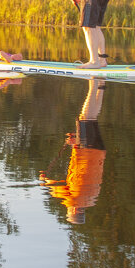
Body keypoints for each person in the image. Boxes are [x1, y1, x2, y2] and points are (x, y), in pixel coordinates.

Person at [40, 78, 106, 224]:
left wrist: (76, 144)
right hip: (87, 152)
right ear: (75, 211)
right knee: (85, 117)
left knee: (92, 118)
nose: (68, 208)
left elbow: (82, 174)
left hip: (98, 152)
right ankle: (94, 82)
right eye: (69, 210)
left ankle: (101, 85)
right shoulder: (73, 200)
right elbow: (56, 189)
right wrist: (45, 181)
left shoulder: (93, 199)